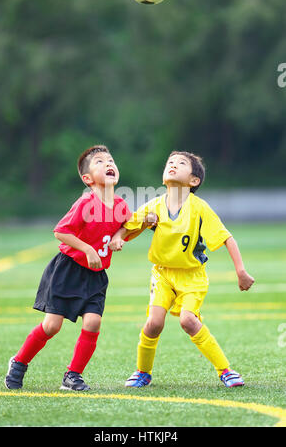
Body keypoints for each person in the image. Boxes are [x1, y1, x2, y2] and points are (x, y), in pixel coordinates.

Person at [109, 151, 255, 388]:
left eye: (181, 163)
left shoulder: (199, 208)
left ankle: (225, 370)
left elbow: (227, 238)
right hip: (162, 274)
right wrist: (118, 238)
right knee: (154, 323)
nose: (173, 165)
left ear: (194, 180)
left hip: (192, 277)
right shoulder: (154, 206)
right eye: (170, 162)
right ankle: (142, 372)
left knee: (188, 321)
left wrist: (240, 271)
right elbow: (127, 226)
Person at [5, 145, 131, 391]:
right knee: (52, 326)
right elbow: (61, 231)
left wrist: (119, 235)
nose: (108, 164)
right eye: (99, 162)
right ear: (87, 179)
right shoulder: (86, 203)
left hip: (96, 276)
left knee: (93, 322)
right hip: (67, 271)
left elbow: (128, 224)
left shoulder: (120, 204)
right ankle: (19, 362)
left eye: (110, 160)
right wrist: (88, 249)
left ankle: (72, 375)